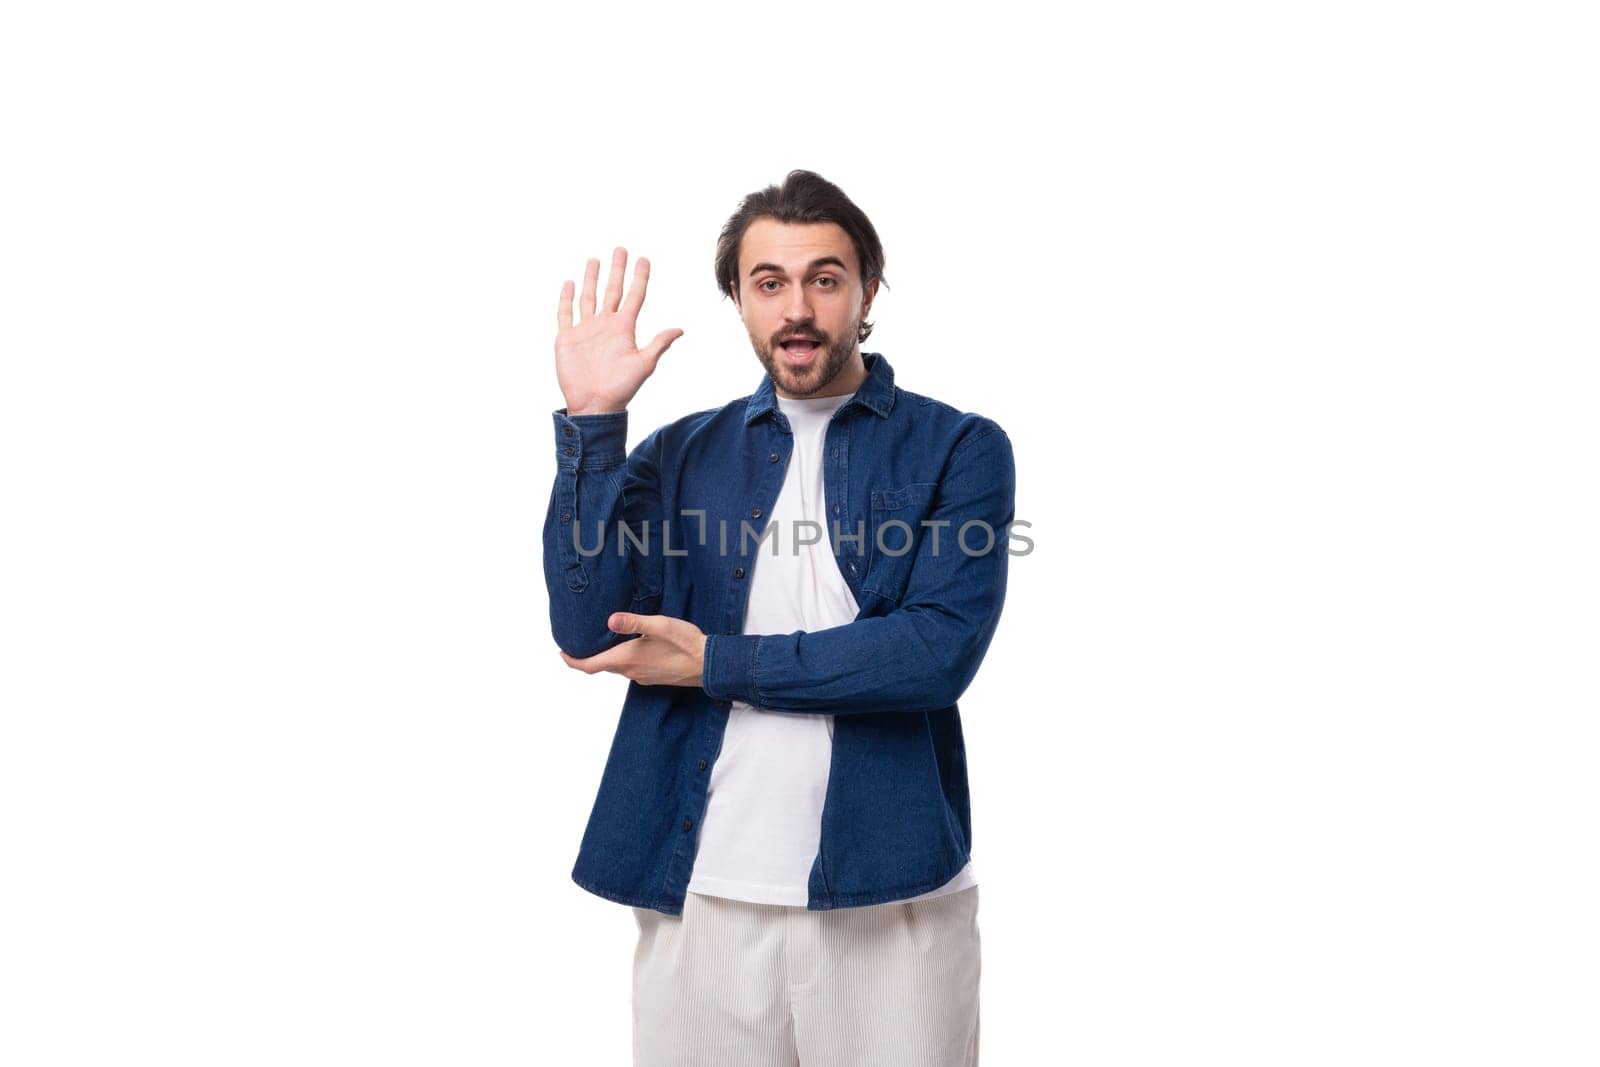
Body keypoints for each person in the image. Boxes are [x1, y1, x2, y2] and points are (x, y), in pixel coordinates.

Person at [544, 170, 1014, 1067]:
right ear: (738, 296)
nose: (797, 308)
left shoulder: (960, 447)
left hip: (893, 900)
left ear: (868, 289)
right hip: (703, 895)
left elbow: (933, 650)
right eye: (769, 282)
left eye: (825, 278)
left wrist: (718, 661)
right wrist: (593, 425)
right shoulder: (680, 453)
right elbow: (586, 627)